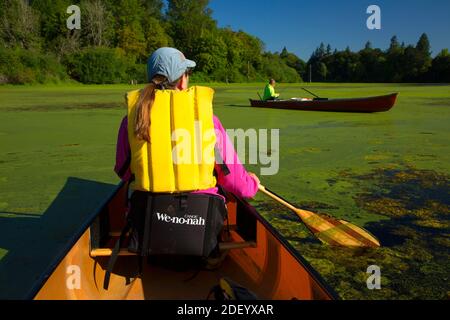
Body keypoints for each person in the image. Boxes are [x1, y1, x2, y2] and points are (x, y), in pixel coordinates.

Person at [113, 47, 260, 260]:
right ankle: (212, 259)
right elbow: (232, 178)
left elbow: (123, 171)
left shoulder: (132, 121)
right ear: (183, 80)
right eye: (187, 74)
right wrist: (251, 184)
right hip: (200, 227)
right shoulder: (209, 122)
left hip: (149, 220)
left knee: (131, 189)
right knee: (219, 186)